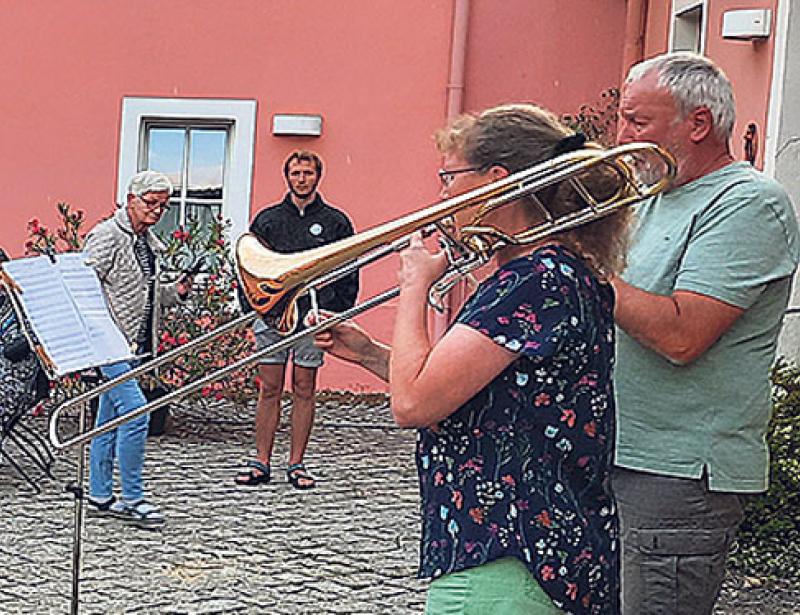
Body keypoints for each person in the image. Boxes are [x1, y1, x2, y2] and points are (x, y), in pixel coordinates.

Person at [312, 104, 630, 613]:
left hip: (505, 554)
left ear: (495, 182)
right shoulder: (560, 273)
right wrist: (372, 355)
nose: (440, 196)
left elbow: (413, 404)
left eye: (449, 177)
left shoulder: (529, 282)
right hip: (545, 554)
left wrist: (415, 286)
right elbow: (490, 393)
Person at [612, 52, 800, 614]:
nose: (620, 135)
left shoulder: (748, 204)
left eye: (637, 122)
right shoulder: (652, 198)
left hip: (678, 473)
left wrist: (579, 265)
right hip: (620, 453)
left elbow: (682, 335)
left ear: (697, 124)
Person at [235, 150, 358, 489]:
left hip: (313, 316)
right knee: (270, 388)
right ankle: (261, 461)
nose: (301, 178)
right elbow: (249, 267)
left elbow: (349, 269)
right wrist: (252, 312)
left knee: (304, 389)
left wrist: (340, 311)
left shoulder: (336, 221)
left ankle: (297, 463)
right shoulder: (269, 219)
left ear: (318, 176)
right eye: (295, 173)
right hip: (271, 316)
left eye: (307, 173)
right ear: (286, 177)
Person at [84, 170, 193, 529]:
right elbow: (84, 286)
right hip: (110, 343)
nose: (157, 211)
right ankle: (133, 498)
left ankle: (100, 494)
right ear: (130, 198)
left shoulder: (146, 241)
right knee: (136, 413)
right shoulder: (107, 236)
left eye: (163, 205)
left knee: (108, 419)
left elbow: (147, 294)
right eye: (150, 203)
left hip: (136, 343)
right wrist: (98, 333)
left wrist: (175, 293)